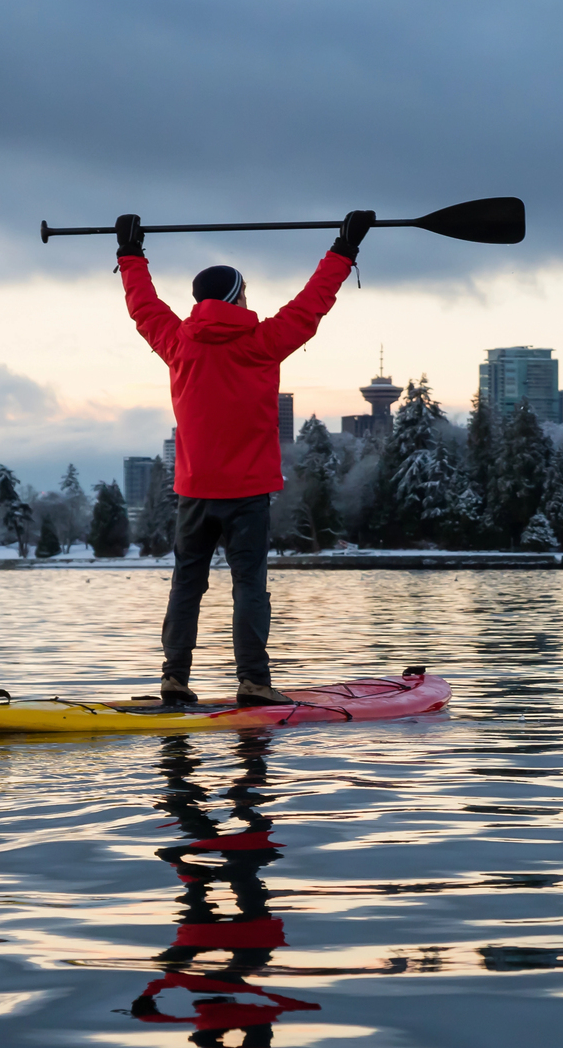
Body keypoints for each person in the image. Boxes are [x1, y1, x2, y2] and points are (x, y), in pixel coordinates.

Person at [117, 210, 374, 706]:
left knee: (186, 586)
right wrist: (344, 250)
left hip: (194, 492)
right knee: (249, 588)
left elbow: (142, 306)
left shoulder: (178, 342)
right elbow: (310, 305)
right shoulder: (262, 343)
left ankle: (174, 680)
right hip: (248, 494)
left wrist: (130, 253)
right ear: (236, 298)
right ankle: (253, 683)